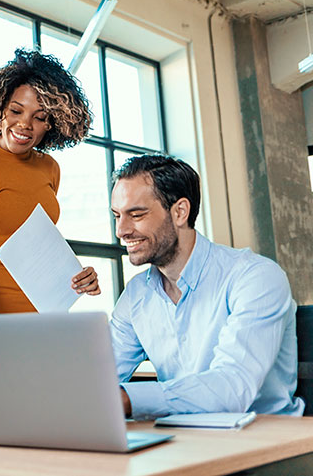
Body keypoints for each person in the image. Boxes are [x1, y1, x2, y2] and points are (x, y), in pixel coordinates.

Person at [110, 154, 304, 420]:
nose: (121, 230)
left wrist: (126, 399)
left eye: (136, 214)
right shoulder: (136, 295)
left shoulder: (255, 277)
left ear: (180, 212)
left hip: (269, 442)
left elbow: (232, 389)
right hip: (186, 437)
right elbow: (100, 376)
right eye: (117, 216)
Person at [0, 48, 100, 314]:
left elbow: (41, 247)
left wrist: (79, 276)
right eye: (16, 111)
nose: (24, 124)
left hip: (46, 314)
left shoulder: (50, 168)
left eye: (39, 117)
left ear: (51, 124)